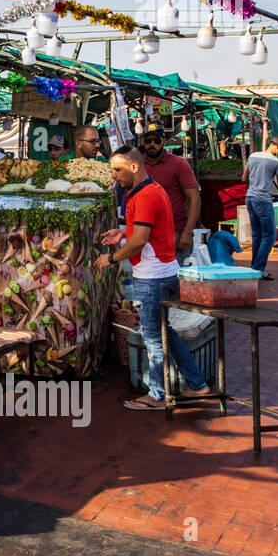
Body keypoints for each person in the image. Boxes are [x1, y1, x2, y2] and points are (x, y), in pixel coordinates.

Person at [95, 146, 211, 410]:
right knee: (164, 332)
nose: (114, 176)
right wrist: (122, 232)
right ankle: (197, 384)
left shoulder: (146, 195)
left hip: (152, 278)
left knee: (153, 339)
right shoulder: (152, 190)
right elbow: (145, 231)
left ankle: (157, 395)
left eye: (117, 169)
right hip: (165, 271)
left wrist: (111, 258)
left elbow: (140, 241)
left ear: (134, 167)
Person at [140, 124, 201, 263]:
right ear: (142, 141)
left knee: (177, 278)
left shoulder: (179, 164)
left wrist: (187, 232)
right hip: (145, 234)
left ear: (164, 142)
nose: (152, 144)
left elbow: (194, 198)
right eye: (148, 141)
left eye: (157, 141)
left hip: (175, 233)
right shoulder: (137, 165)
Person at [244, 135, 278, 280]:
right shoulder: (277, 162)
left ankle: (255, 267)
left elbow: (243, 178)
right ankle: (258, 268)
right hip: (263, 200)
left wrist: (255, 184)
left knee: (257, 234)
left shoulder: (253, 156)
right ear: (277, 146)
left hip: (250, 199)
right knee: (269, 235)